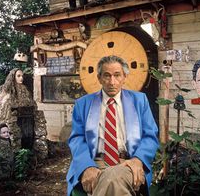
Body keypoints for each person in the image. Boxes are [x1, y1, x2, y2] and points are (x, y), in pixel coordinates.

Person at [66, 55, 159, 196]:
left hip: (128, 162)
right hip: (95, 161)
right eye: (107, 76)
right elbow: (77, 139)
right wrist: (86, 166)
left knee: (111, 178)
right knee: (112, 180)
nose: (112, 82)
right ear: (99, 78)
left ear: (124, 77)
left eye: (117, 75)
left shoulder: (140, 100)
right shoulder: (83, 104)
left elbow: (150, 136)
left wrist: (138, 159)